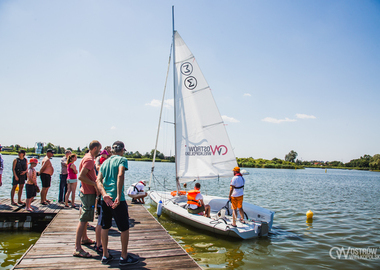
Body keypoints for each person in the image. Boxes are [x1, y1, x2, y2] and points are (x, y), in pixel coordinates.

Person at [96, 141, 139, 266]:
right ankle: (124, 257)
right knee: (124, 229)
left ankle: (105, 255)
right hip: (117, 200)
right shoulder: (122, 160)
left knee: (105, 227)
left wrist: (104, 194)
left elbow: (98, 180)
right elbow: (120, 174)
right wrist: (119, 196)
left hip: (105, 200)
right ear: (122, 150)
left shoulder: (105, 163)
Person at [73, 140, 102, 258]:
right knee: (84, 219)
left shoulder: (87, 157)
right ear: (94, 148)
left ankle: (84, 239)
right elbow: (81, 176)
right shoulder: (89, 160)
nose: (100, 151)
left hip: (86, 192)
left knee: (85, 217)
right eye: (99, 149)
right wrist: (94, 184)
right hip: (88, 192)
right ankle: (77, 248)